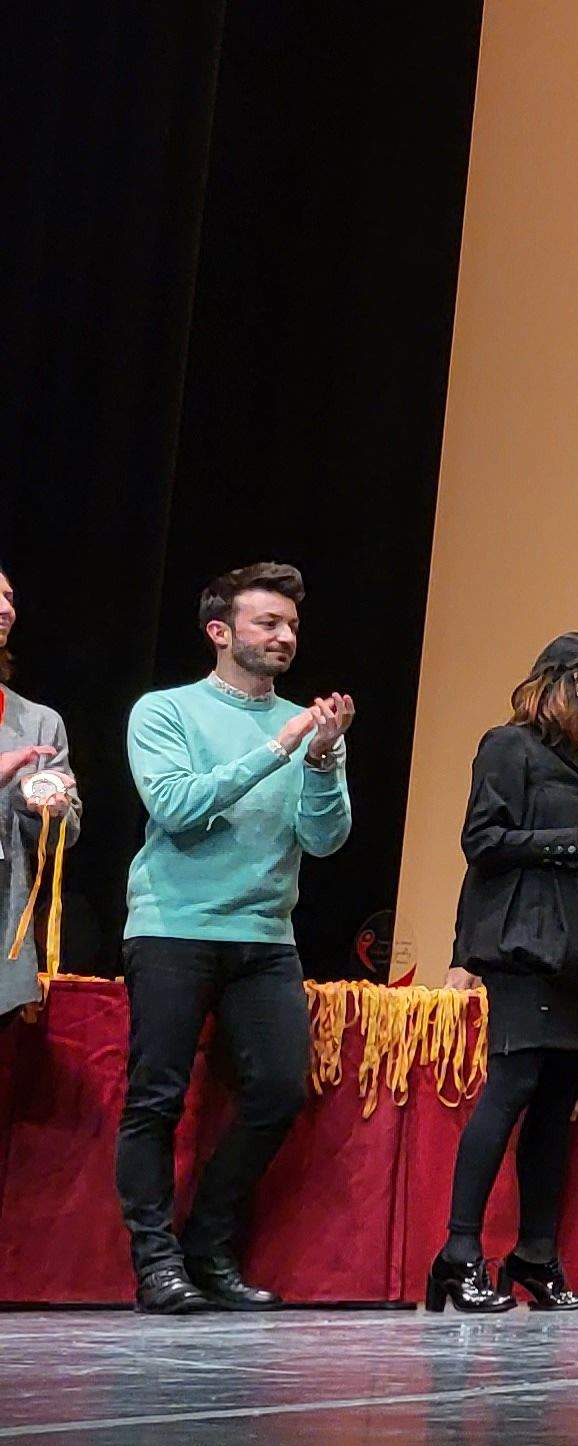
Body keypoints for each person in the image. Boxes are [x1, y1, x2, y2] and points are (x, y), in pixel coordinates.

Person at [116, 563, 354, 1313]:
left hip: (264, 936)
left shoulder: (301, 725)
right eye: (267, 623)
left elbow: (326, 840)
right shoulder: (165, 711)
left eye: (290, 625)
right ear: (220, 632)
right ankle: (155, 1263)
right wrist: (278, 749)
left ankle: (206, 1247)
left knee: (279, 1091)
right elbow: (177, 806)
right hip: (173, 928)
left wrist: (322, 759)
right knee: (157, 1097)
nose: (284, 636)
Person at [436, 633, 578, 1313]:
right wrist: (573, 839)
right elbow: (483, 842)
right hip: (527, 948)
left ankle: (536, 1255)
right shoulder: (508, 746)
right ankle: (459, 1252)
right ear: (573, 680)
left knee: (555, 1108)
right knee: (513, 1085)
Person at [3, 564, 84, 1021]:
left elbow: (66, 832)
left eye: (10, 598)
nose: (5, 609)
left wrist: (43, 808)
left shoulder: (38, 722)